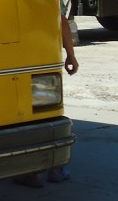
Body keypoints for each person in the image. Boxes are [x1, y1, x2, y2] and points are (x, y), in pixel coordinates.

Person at [14, 11, 77, 187]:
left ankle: (32, 173)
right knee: (48, 114)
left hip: (15, 60)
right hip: (45, 58)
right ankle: (56, 169)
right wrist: (71, 55)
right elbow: (62, 21)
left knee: (25, 117)